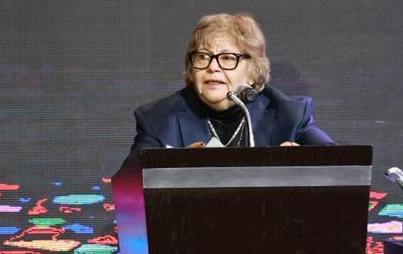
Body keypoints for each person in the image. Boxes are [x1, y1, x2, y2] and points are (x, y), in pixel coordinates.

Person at [131, 12, 332, 151]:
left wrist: (304, 163)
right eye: (203, 56)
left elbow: (341, 166)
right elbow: (127, 192)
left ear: (253, 72)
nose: (212, 66)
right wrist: (173, 166)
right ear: (192, 69)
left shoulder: (289, 115)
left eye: (227, 58)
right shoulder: (158, 119)